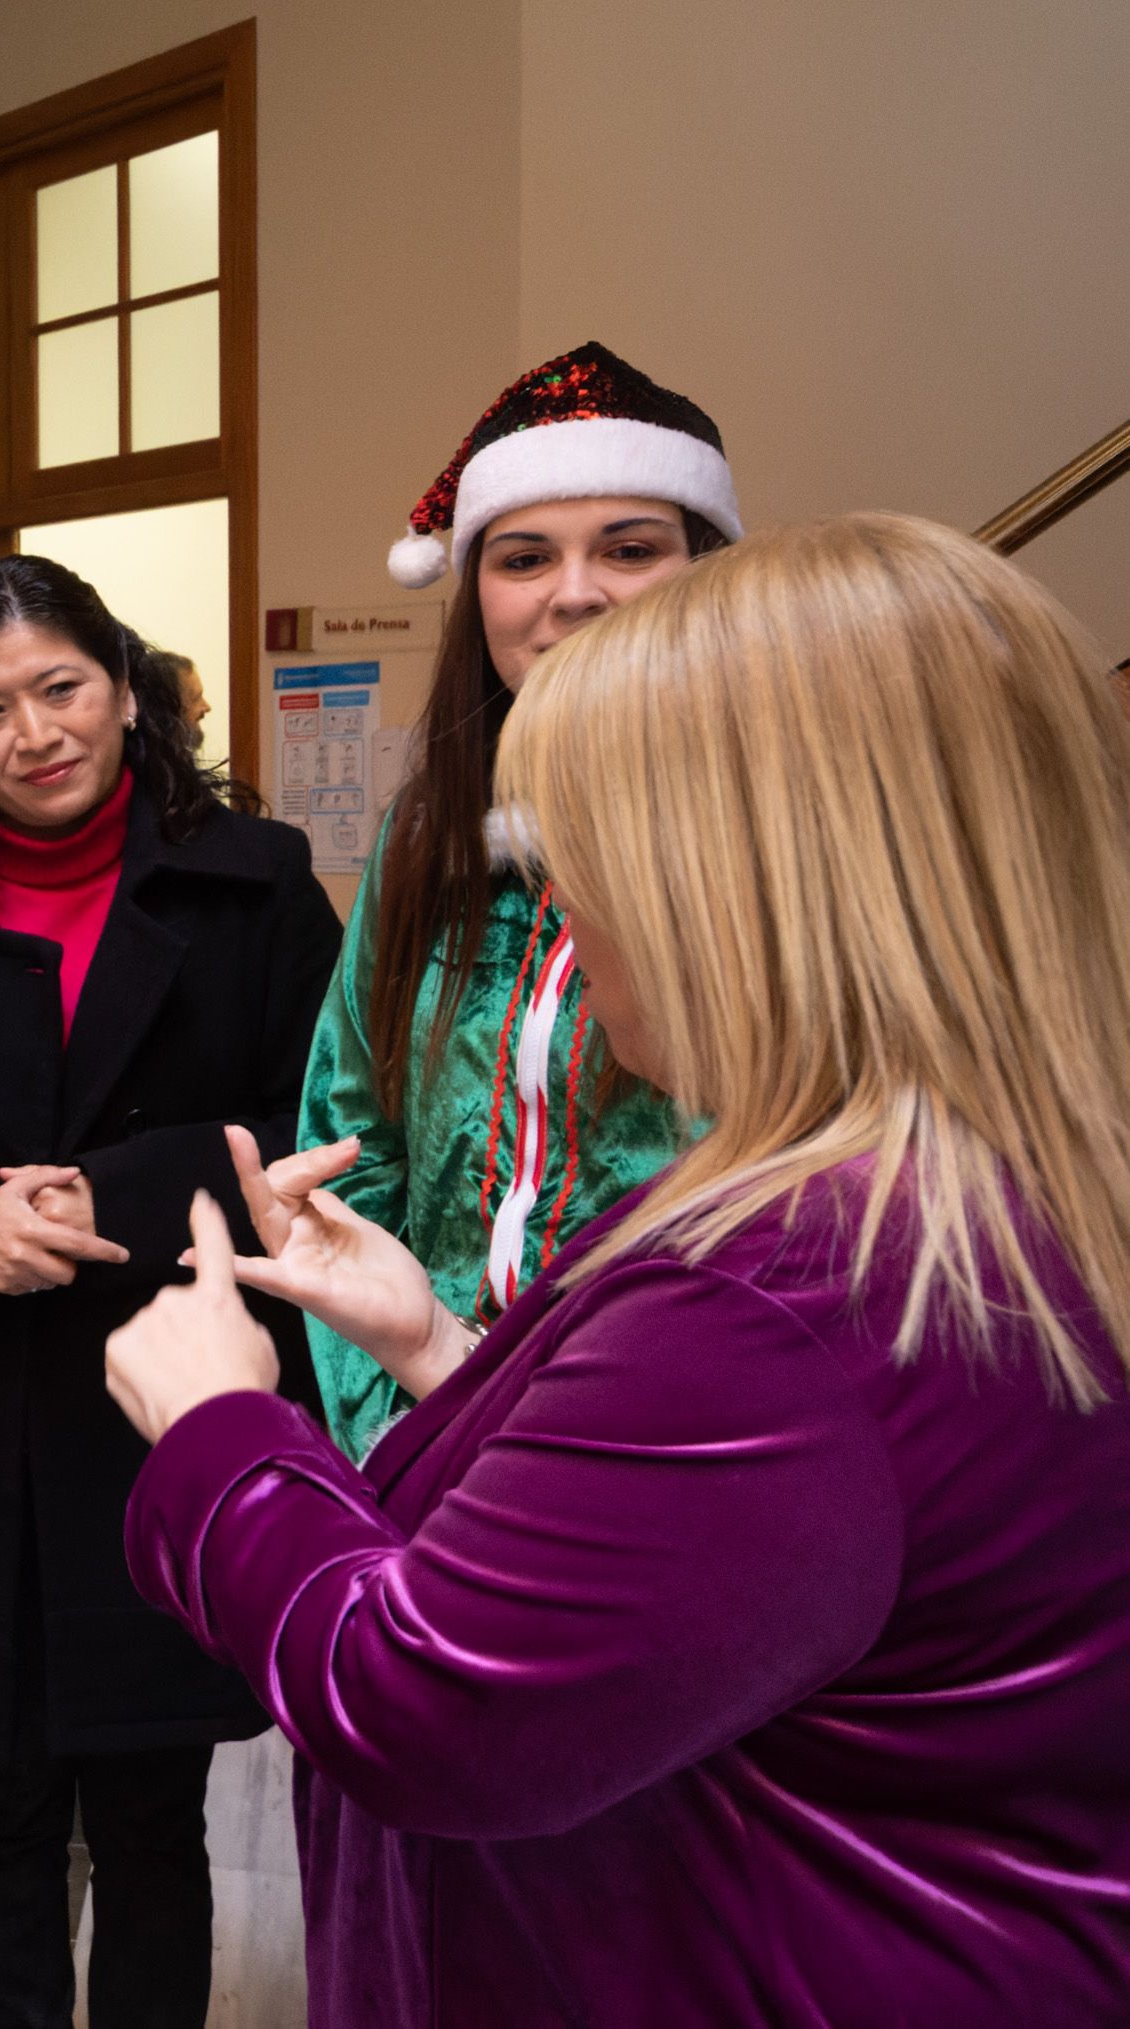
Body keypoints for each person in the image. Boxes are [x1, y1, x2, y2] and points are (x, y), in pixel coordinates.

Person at [106, 514, 1130, 2025]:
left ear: (759, 880)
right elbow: (732, 1562)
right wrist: (440, 1350)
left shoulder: (782, 1293)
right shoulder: (985, 1182)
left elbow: (424, 1708)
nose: (571, 919)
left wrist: (220, 1434)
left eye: (591, 855)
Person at [0, 556, 341, 2027]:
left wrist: (131, 1198)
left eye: (60, 688)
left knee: (152, 1815)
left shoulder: (255, 881)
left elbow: (332, 1133)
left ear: (121, 685)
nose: (34, 733)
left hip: (168, 1407)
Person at [297, 342, 744, 1462]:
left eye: (630, 548)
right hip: (424, 1416)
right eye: (524, 556)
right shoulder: (424, 838)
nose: (573, 592)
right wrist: (395, 1421)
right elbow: (351, 1141)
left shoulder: (784, 834)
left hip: (680, 1445)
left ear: (711, 570)